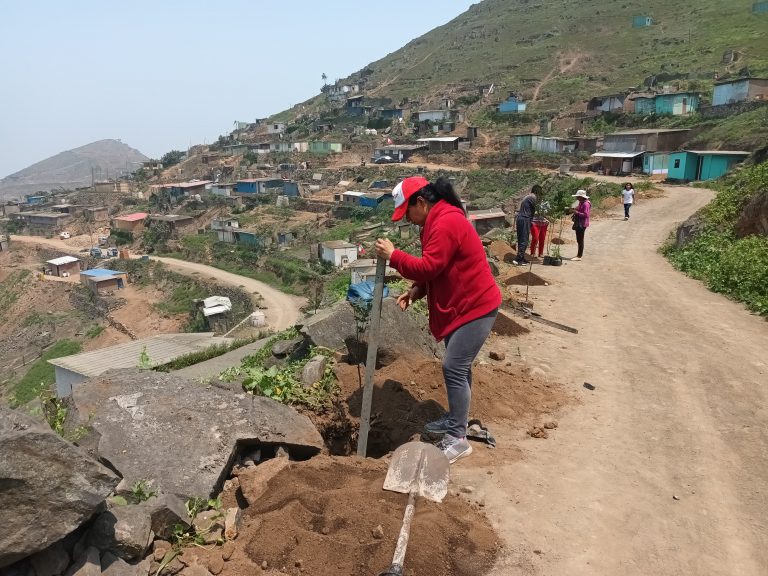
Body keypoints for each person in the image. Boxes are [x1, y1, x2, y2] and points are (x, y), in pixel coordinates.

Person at [375, 176, 501, 463]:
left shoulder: (445, 222)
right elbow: (440, 270)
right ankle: (456, 419)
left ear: (421, 202)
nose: (408, 219)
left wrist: (394, 255)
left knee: (453, 367)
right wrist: (416, 291)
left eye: (407, 212)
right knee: (459, 366)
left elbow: (430, 266)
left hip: (475, 306)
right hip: (463, 305)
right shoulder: (435, 221)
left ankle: (457, 439)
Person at [514, 184, 539, 265]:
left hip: (522, 218)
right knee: (524, 239)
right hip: (524, 219)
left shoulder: (528, 196)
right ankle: (518, 259)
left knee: (522, 238)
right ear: (536, 191)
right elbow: (538, 209)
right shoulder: (533, 197)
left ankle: (521, 257)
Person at [570, 189, 591, 261]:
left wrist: (577, 212)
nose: (576, 198)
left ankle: (579, 256)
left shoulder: (585, 204)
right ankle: (579, 255)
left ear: (581, 197)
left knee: (580, 240)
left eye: (578, 196)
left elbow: (586, 215)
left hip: (582, 223)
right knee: (579, 239)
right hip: (580, 222)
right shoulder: (581, 202)